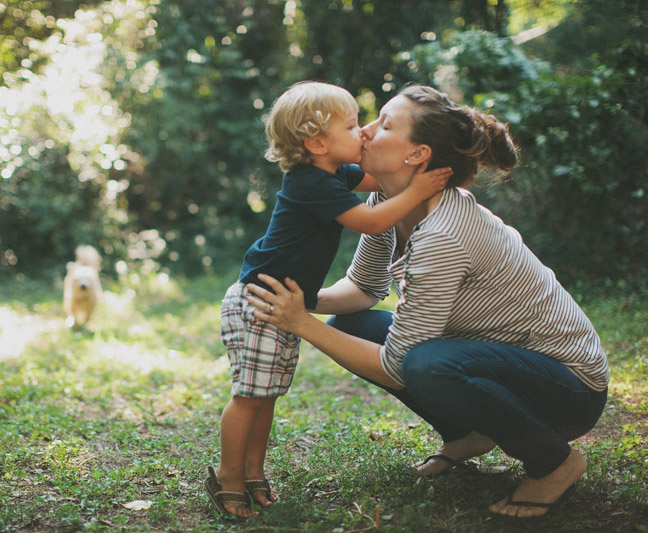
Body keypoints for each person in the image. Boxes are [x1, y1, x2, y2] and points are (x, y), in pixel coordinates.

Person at [246, 85, 608, 521]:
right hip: (495, 364)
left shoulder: (443, 234)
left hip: (568, 389)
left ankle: (553, 462)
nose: (365, 130)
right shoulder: (386, 202)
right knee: (352, 323)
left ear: (416, 155)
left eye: (385, 124)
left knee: (425, 364)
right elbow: (362, 289)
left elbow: (399, 365)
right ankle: (467, 433)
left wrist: (302, 322)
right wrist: (292, 299)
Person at [205, 81, 452, 518]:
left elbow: (383, 179)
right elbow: (372, 221)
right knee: (249, 397)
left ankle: (254, 472)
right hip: (261, 300)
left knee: (267, 396)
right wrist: (418, 190)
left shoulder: (335, 174)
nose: (364, 132)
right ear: (318, 142)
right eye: (354, 125)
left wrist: (420, 162)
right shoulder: (307, 182)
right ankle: (228, 477)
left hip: (280, 302)